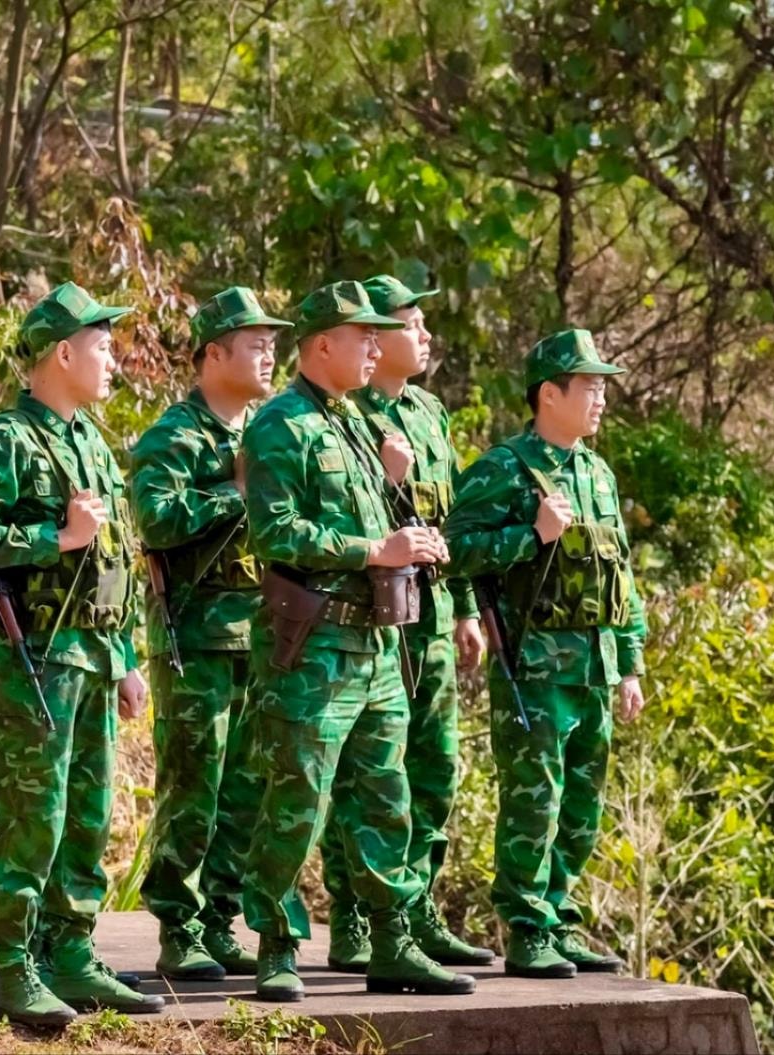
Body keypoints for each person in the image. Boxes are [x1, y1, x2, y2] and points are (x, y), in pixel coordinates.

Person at [239, 279, 477, 1002]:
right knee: (298, 798)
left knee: (385, 797)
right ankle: (277, 942)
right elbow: (274, 531)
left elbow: (379, 526)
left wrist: (401, 523)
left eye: (381, 333)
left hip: (376, 644)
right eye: (362, 335)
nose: (376, 343)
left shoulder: (349, 422)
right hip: (312, 648)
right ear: (321, 345)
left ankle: (391, 938)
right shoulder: (280, 424)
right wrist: (373, 547)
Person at [0, 282, 164, 1027]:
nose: (113, 362)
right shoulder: (5, 440)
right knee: (31, 813)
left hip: (93, 656)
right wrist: (53, 538)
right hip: (35, 654)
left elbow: (116, 563)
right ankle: (18, 965)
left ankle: (71, 952)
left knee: (89, 814)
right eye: (102, 348)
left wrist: (128, 655)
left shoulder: (92, 443)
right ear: (62, 353)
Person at [443, 329, 648, 979]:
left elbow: (620, 576)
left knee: (583, 806)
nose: (600, 399)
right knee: (536, 798)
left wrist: (630, 660)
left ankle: (557, 916)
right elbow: (457, 549)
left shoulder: (596, 472)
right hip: (533, 667)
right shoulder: (504, 467)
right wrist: (529, 534)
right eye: (588, 387)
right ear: (548, 393)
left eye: (601, 387)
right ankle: (526, 925)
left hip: (593, 667)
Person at [317, 275, 493, 971]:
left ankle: (416, 910)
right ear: (375, 334)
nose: (424, 338)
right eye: (411, 325)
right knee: (365, 772)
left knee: (433, 766)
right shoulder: (347, 413)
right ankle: (356, 916)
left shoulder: (426, 411)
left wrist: (469, 609)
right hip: (372, 613)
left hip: (434, 608)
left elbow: (447, 520)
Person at [131, 287, 290, 981]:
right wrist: (233, 489)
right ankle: (177, 923)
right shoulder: (175, 434)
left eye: (270, 342)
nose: (268, 354)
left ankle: (221, 918)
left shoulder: (269, 431)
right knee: (193, 784)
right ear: (212, 353)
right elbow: (154, 520)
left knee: (249, 787)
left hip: (263, 632)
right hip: (195, 634)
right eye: (254, 343)